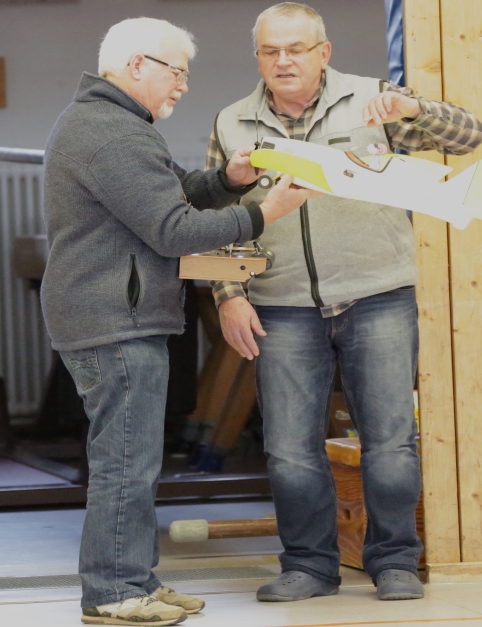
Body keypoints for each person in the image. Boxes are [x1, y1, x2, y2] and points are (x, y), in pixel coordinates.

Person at [41, 17, 317, 626]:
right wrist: (264, 210)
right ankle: (113, 592)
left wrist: (225, 181)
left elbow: (167, 197)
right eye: (178, 72)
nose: (184, 86)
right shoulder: (112, 133)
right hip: (116, 321)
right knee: (126, 462)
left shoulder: (113, 122)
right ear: (137, 64)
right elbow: (172, 230)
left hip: (118, 316)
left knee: (133, 460)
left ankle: (135, 579)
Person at [206, 2, 482, 603]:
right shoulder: (232, 122)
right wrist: (229, 296)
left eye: (296, 49)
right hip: (280, 305)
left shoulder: (372, 100)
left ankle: (395, 561)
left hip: (377, 295)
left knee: (390, 442)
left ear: (323, 52)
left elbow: (470, 137)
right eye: (270, 51)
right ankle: (309, 566)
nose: (283, 61)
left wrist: (415, 108)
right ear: (257, 56)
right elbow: (218, 218)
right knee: (288, 450)